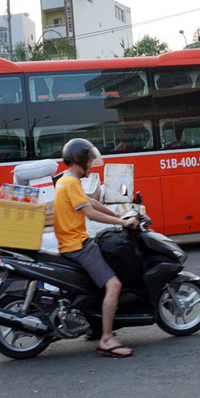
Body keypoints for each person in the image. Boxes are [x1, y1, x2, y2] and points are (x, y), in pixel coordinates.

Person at [54, 138, 139, 358]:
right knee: (114, 285)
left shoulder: (65, 180)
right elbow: (90, 213)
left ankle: (95, 325)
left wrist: (117, 213)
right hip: (78, 245)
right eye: (90, 162)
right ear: (79, 160)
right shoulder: (70, 182)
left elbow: (91, 203)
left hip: (72, 242)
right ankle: (107, 338)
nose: (92, 166)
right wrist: (123, 223)